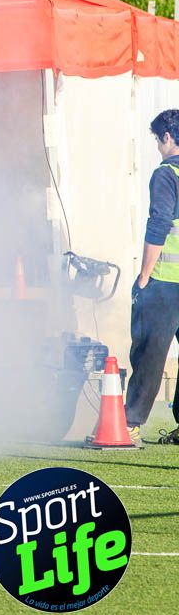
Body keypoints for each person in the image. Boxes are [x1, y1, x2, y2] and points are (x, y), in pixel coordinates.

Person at [126, 109, 179, 444]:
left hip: (165, 280)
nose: (158, 147)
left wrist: (144, 275)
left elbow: (159, 224)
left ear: (167, 138)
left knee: (150, 351)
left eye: (158, 141)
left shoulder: (166, 174)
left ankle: (130, 424)